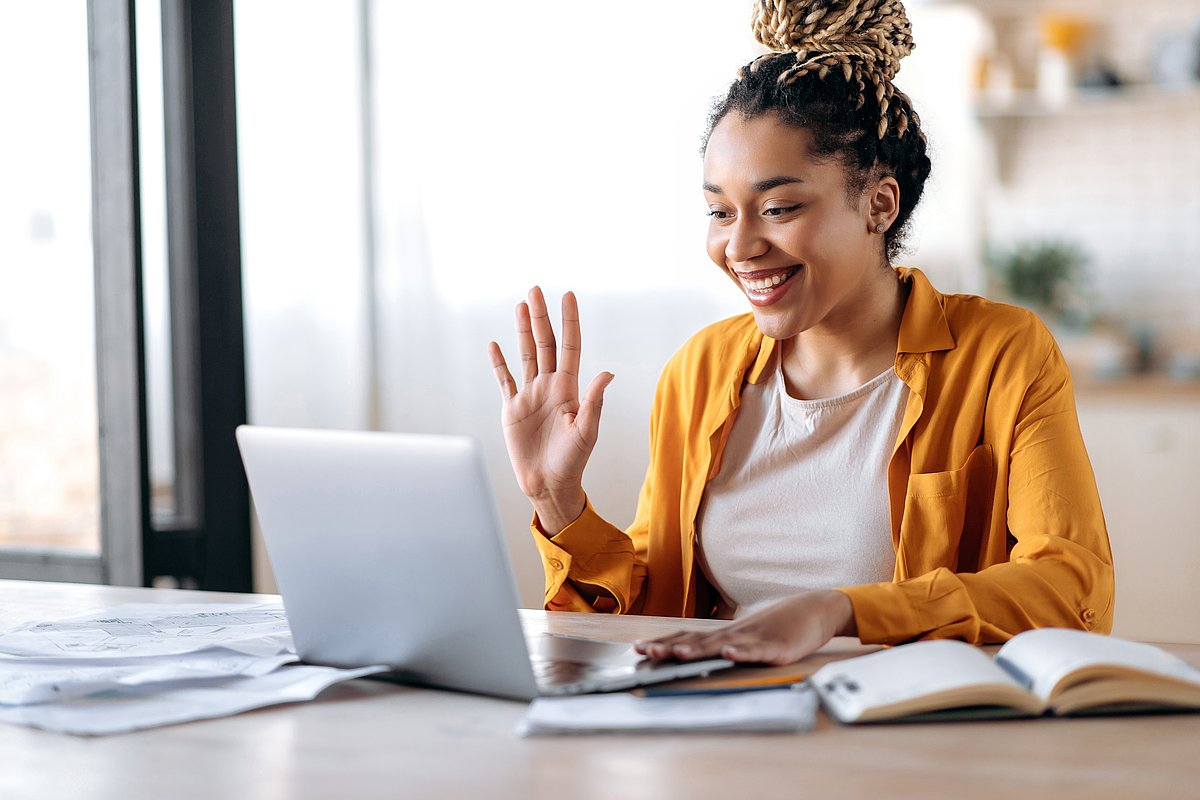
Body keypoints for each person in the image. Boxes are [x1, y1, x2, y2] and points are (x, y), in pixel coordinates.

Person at [486, 0, 1113, 667]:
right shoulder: (701, 369)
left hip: (903, 718)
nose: (740, 246)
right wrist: (558, 501)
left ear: (879, 204)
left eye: (779, 207)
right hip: (726, 716)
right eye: (719, 212)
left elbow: (1071, 589)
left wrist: (840, 611)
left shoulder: (1001, 354)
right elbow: (655, 616)